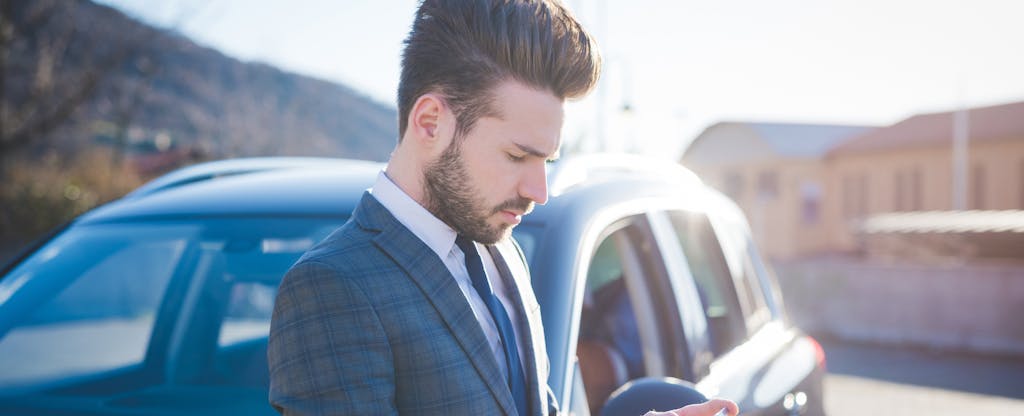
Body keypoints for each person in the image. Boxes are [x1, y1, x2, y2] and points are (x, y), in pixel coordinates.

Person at [267, 1, 739, 415]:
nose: (540, 190)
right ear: (430, 122)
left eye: (547, 161)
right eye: (517, 156)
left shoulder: (502, 251)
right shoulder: (333, 287)